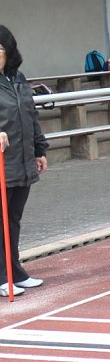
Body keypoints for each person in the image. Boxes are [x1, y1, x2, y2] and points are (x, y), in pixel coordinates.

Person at [0, 25, 48, 297]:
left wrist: (40, 150)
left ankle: (15, 270)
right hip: (2, 162)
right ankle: (1, 275)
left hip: (22, 160)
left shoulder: (18, 79)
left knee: (13, 218)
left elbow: (31, 116)